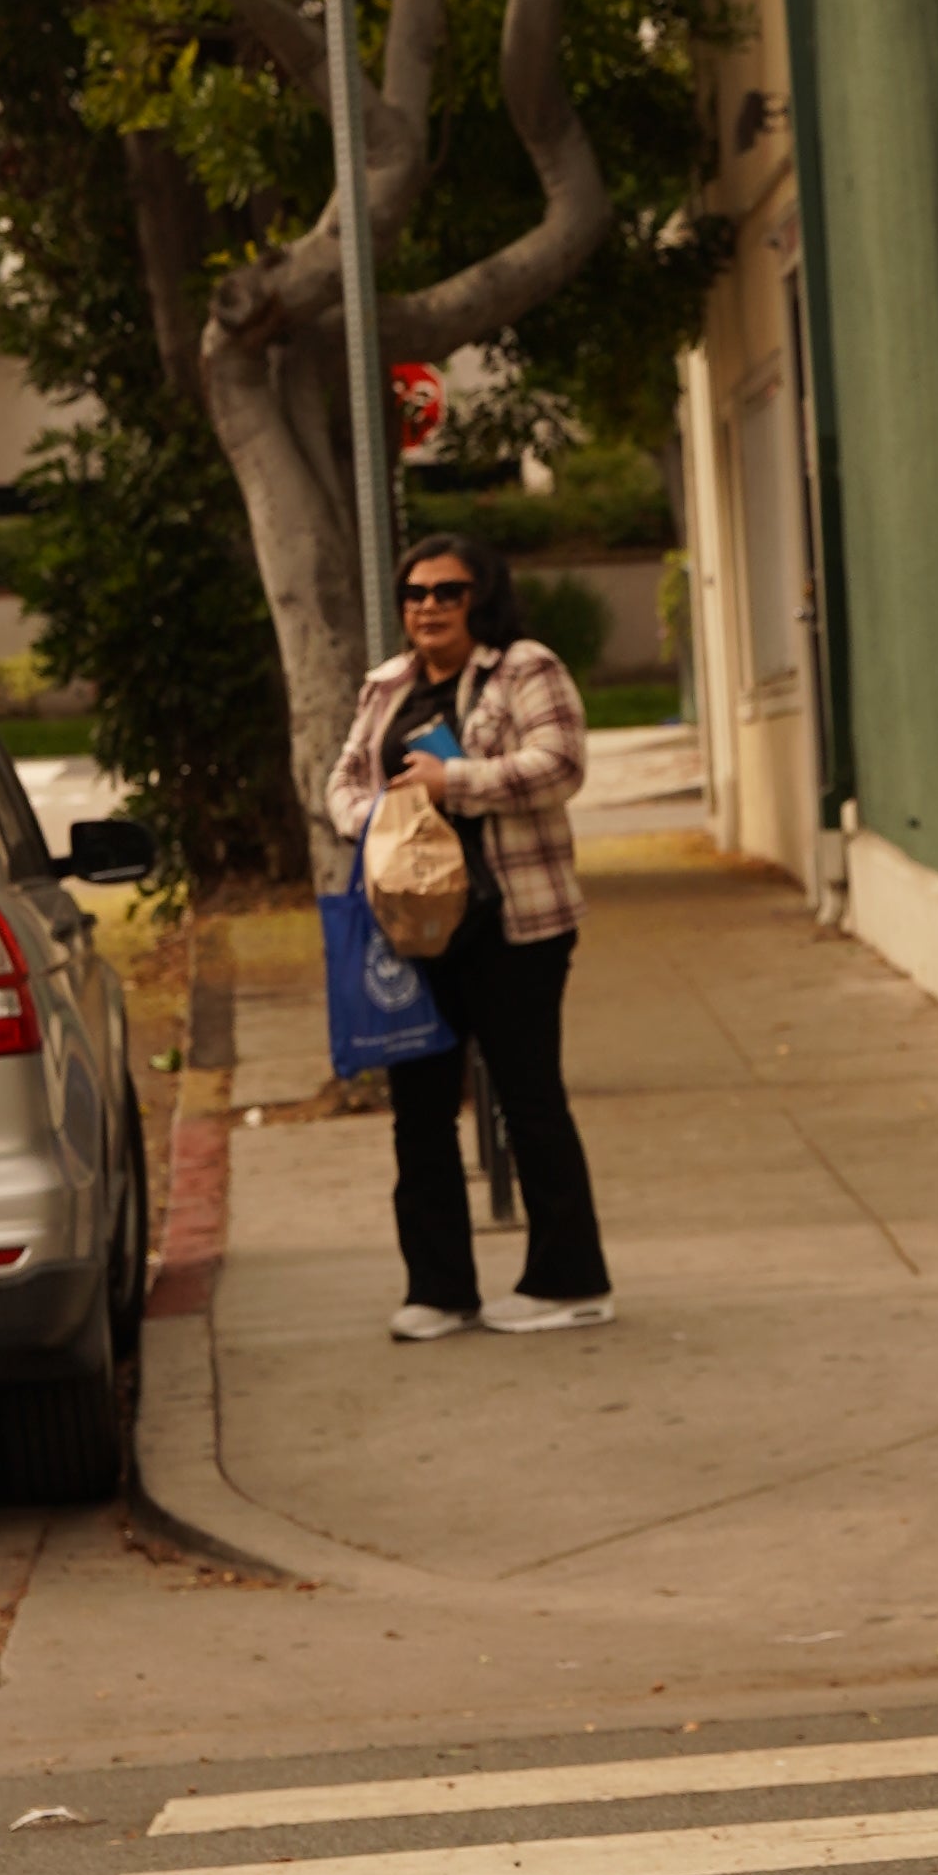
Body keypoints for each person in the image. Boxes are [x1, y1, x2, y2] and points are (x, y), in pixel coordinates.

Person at [325, 537, 616, 1344]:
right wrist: (381, 812)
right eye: (415, 593)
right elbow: (342, 783)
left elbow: (559, 765)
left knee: (530, 1100)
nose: (429, 606)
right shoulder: (387, 685)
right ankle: (439, 1289)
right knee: (418, 1112)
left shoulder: (526, 669)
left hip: (516, 924)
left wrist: (452, 783)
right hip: (416, 932)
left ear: (480, 598)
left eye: (448, 591)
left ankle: (570, 1280)